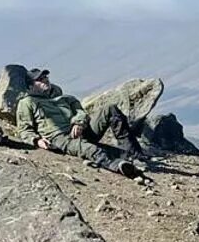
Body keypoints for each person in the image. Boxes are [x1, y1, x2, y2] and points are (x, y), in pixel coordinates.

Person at [13, 69, 146, 176]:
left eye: (46, 78)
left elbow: (81, 112)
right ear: (30, 86)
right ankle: (119, 166)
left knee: (110, 109)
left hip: (82, 130)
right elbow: (24, 130)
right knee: (90, 149)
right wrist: (37, 141)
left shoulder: (65, 98)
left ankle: (135, 154)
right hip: (61, 137)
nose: (45, 80)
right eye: (40, 79)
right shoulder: (27, 103)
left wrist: (78, 123)